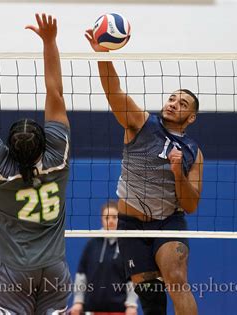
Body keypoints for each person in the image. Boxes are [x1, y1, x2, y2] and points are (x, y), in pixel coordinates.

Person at [0, 13, 71, 315]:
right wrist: (50, 41)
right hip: (55, 272)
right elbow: (54, 92)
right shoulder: (59, 157)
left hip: (15, 273)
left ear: (7, 147)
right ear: (45, 142)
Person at [85, 30, 204, 315]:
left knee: (176, 280)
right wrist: (103, 55)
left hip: (168, 223)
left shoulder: (193, 152)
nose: (174, 103)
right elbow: (114, 93)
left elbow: (191, 205)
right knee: (150, 300)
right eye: (172, 98)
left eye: (182, 104)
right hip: (130, 226)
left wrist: (177, 172)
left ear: (191, 118)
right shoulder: (142, 123)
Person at [69, 201, 138, 315]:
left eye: (114, 217)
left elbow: (132, 279)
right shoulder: (92, 244)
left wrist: (131, 304)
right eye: (107, 217)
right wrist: (78, 301)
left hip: (120, 310)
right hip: (92, 309)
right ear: (102, 219)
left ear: (120, 219)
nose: (110, 221)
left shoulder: (127, 246)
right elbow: (81, 275)